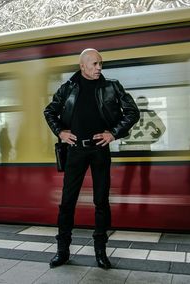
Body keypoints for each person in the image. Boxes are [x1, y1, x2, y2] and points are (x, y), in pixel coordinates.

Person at [44, 48, 140, 269]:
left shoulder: (111, 86)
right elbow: (49, 111)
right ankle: (63, 251)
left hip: (99, 150)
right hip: (75, 151)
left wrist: (113, 133)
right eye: (95, 64)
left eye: (100, 64)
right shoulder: (68, 88)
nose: (99, 68)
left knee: (101, 202)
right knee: (67, 203)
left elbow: (132, 112)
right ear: (83, 66)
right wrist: (61, 132)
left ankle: (101, 252)